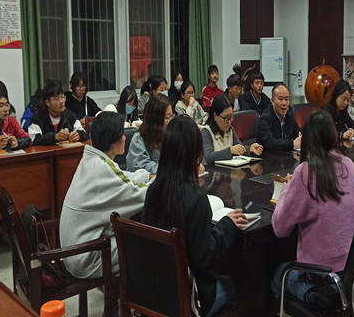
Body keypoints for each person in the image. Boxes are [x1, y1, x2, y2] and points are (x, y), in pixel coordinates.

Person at [142, 115, 246, 317]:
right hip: (185, 296)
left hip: (153, 289)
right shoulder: (196, 198)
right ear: (195, 152)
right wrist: (226, 225)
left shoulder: (153, 189)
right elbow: (204, 261)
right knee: (237, 286)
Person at [271, 110, 354, 304]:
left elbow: (279, 228)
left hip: (321, 279)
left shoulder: (305, 172)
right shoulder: (347, 164)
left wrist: (286, 189)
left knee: (278, 275)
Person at [60, 112, 154, 278]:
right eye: (122, 135)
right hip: (87, 258)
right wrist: (165, 180)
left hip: (75, 252)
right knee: (151, 243)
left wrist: (148, 177)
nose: (125, 138)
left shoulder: (93, 160)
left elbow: (123, 178)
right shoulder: (100, 169)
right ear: (112, 140)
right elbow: (139, 194)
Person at [201, 94, 263, 164]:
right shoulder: (206, 131)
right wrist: (230, 151)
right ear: (215, 116)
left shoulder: (230, 129)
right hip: (212, 170)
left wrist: (250, 149)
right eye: (225, 118)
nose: (229, 122)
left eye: (231, 117)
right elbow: (209, 157)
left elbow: (239, 147)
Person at [28, 80, 88, 145]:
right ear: (47, 102)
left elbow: (84, 133)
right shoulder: (37, 118)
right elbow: (34, 140)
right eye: (56, 99)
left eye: (62, 97)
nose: (61, 101)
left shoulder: (69, 115)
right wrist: (54, 137)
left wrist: (79, 135)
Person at [126, 94, 172, 174]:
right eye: (167, 117)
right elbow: (141, 168)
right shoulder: (138, 139)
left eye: (172, 116)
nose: (171, 121)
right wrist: (173, 169)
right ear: (155, 119)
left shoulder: (171, 135)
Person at [257, 83, 301, 151]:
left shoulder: (289, 115)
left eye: (286, 99)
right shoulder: (265, 118)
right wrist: (292, 144)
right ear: (272, 101)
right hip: (268, 155)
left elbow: (298, 134)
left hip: (285, 155)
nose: (284, 103)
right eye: (280, 99)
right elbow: (270, 143)